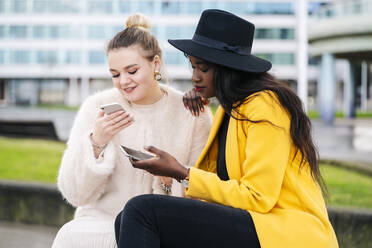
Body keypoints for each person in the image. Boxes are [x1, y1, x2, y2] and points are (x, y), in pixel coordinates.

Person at [114, 9, 339, 248]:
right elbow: (218, 177)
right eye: (193, 68)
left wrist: (181, 172)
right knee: (124, 220)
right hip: (257, 224)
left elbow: (258, 197)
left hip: (287, 232)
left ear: (227, 69)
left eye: (203, 69)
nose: (194, 77)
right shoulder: (229, 109)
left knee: (142, 211)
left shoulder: (265, 106)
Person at [52, 13, 212, 248]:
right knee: (71, 234)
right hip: (100, 222)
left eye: (132, 71)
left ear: (155, 64)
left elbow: (202, 196)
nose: (123, 81)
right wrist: (97, 142)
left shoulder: (191, 113)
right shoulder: (96, 107)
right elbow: (75, 194)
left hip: (162, 225)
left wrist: (167, 180)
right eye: (115, 74)